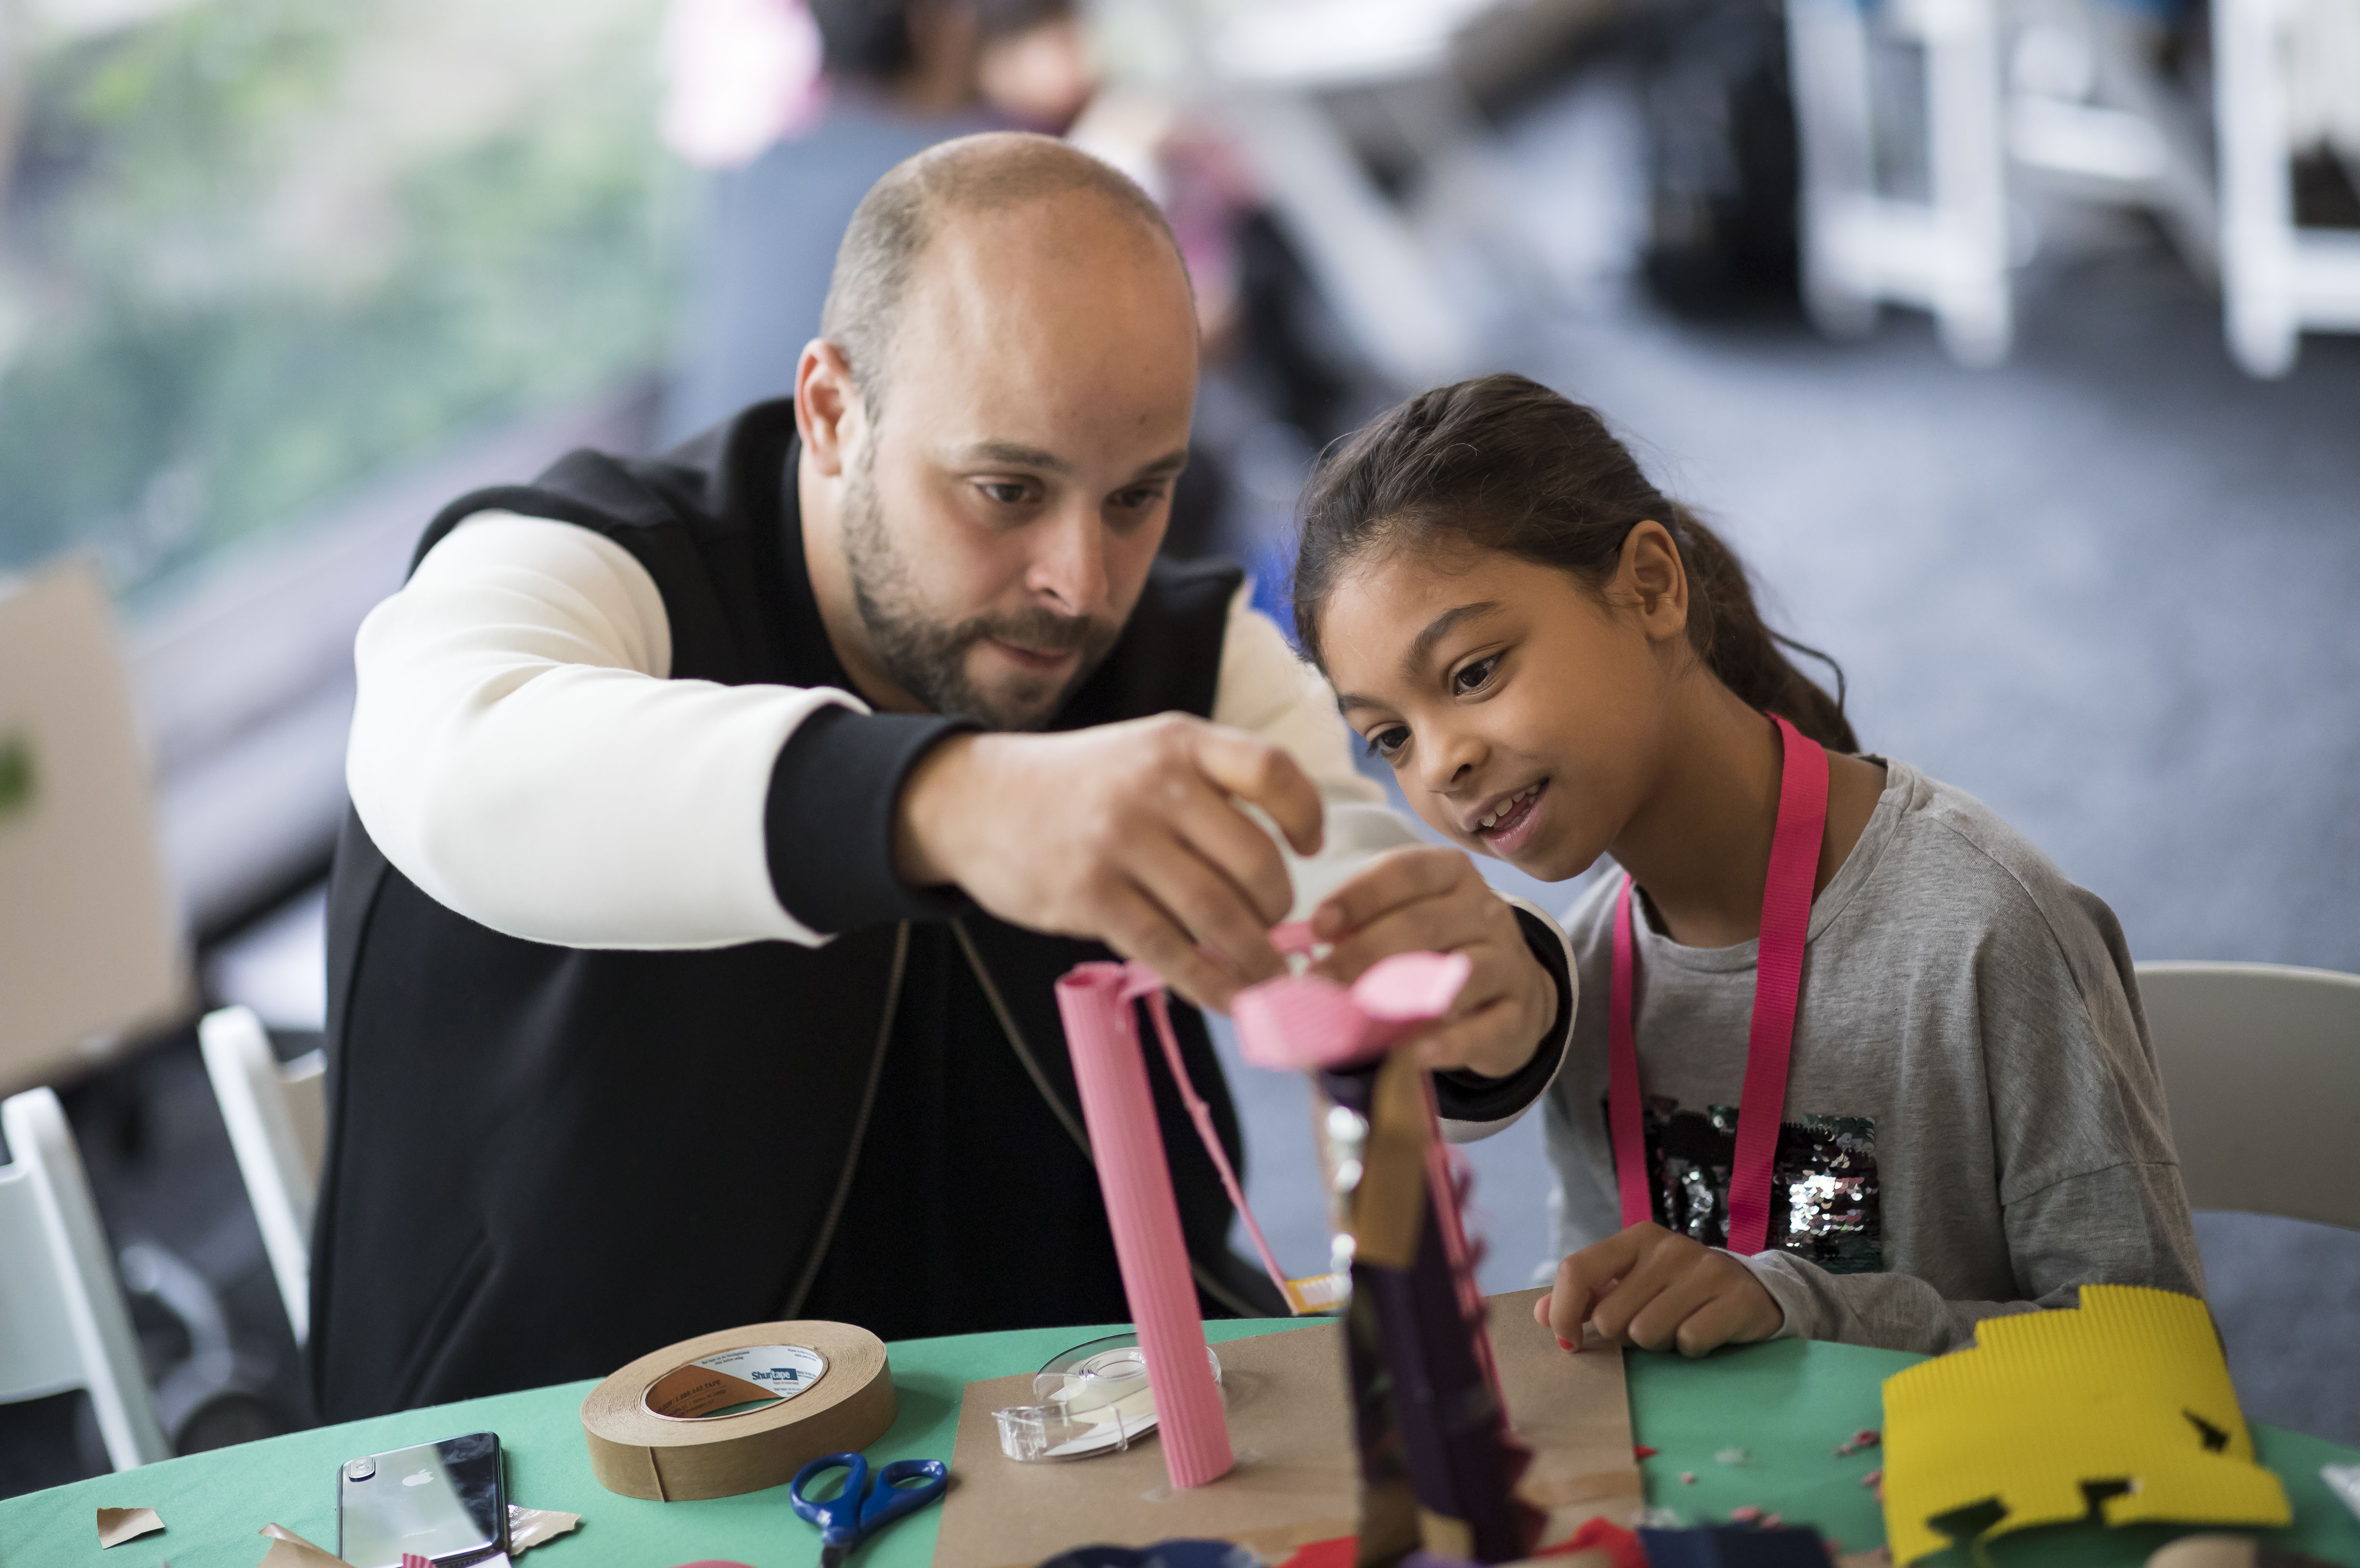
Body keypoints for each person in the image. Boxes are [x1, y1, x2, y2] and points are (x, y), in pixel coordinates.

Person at [314, 139, 1574, 1420]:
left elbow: (1350, 880)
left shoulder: (1184, 657)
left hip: (1107, 1436)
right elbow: (448, 756)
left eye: (1138, 496)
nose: (1078, 584)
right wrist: (949, 801)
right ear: (831, 413)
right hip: (570, 1490)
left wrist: (1489, 993)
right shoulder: (577, 566)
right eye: (1005, 488)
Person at [1289, 372, 2204, 1359]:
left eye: (1474, 672)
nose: (1441, 763)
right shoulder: (1589, 972)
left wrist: (1802, 1312)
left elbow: (2154, 1352)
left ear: (1649, 585)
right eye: (1387, 737)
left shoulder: (1981, 923)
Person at [657, 0, 1085, 446]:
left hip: (715, 491)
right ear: (930, 28)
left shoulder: (753, 176)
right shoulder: (971, 177)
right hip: (843, 503)